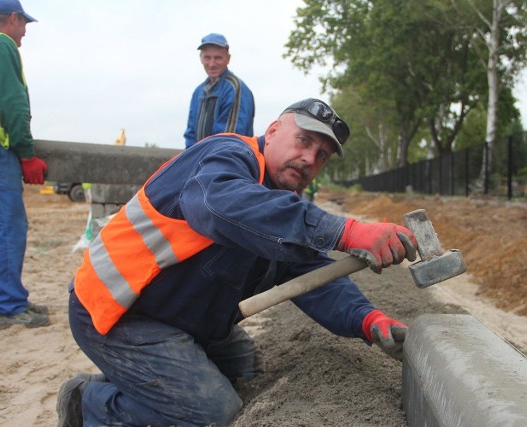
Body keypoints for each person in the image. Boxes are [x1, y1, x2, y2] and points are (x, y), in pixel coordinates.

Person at [57, 98, 418, 426]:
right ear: (273, 131)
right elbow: (221, 205)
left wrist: (367, 319)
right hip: (122, 311)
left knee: (245, 373)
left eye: (321, 155)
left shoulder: (278, 198)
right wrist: (345, 230)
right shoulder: (225, 157)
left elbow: (310, 271)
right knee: (213, 412)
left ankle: (138, 384)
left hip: (178, 316)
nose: (310, 158)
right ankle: (87, 403)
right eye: (304, 141)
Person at [0, 0, 50, 329]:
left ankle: (3, 297)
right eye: (23, 23)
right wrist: (26, 153)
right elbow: (12, 103)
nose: (24, 30)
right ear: (11, 18)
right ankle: (7, 307)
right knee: (7, 228)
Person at [184, 32, 255, 149]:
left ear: (228, 59)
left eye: (218, 58)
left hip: (226, 162)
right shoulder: (198, 91)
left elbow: (229, 140)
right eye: (207, 57)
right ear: (201, 59)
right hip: (202, 162)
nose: (212, 64)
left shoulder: (235, 88)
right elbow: (191, 134)